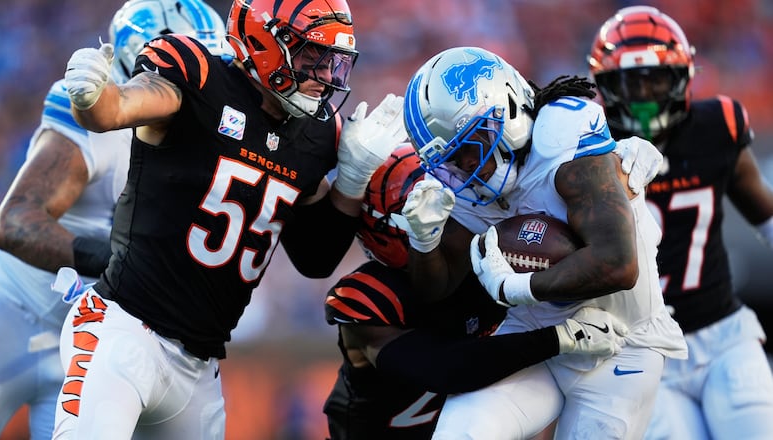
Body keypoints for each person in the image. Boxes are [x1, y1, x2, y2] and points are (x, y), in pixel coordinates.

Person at [53, 0, 408, 437]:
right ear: (265, 42)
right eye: (313, 56)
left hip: (199, 367)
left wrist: (351, 182)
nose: (325, 76)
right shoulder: (199, 76)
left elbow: (315, 258)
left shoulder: (316, 133)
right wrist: (90, 96)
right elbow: (114, 110)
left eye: (333, 61)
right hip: (122, 328)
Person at [400, 46, 687, 439]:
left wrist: (515, 288)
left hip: (622, 343)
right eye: (451, 158)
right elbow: (436, 287)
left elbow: (618, 263)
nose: (465, 165)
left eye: (469, 144)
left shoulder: (561, 136)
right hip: (536, 339)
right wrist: (423, 240)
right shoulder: (463, 185)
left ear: (508, 108)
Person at [0, 1, 225, 439]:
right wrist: (123, 260)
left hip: (88, 334)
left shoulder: (216, 131)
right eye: (193, 67)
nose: (206, 83)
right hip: (12, 313)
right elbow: (16, 222)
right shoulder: (100, 115)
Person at [323, 144, 629, 440]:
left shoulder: (487, 260)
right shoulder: (368, 296)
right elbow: (445, 369)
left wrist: (616, 171)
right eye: (436, 213)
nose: (458, 217)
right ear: (389, 228)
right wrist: (560, 338)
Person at [588, 6, 773, 439]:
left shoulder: (716, 128)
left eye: (655, 79)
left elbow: (766, 216)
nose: (643, 94)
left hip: (723, 335)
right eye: (629, 82)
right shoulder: (590, 150)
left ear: (683, 76)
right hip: (642, 349)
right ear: (605, 86)